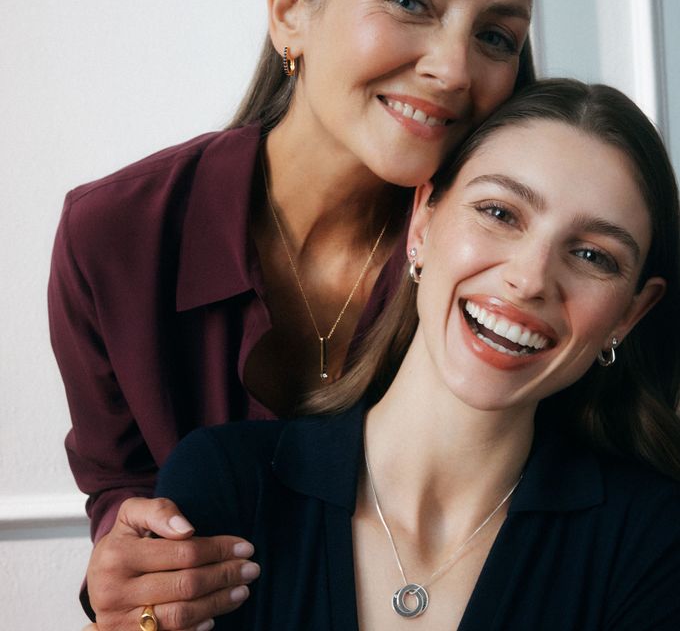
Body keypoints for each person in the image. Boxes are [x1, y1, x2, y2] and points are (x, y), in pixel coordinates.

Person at [47, 0, 535, 628]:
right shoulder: (113, 232)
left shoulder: (501, 262)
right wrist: (124, 561)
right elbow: (119, 483)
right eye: (411, 2)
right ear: (289, 11)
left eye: (494, 37)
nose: (453, 70)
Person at [156, 79, 680, 631]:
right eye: (500, 213)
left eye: (594, 255)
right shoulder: (226, 482)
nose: (529, 280)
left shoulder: (654, 542)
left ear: (630, 313)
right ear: (424, 222)